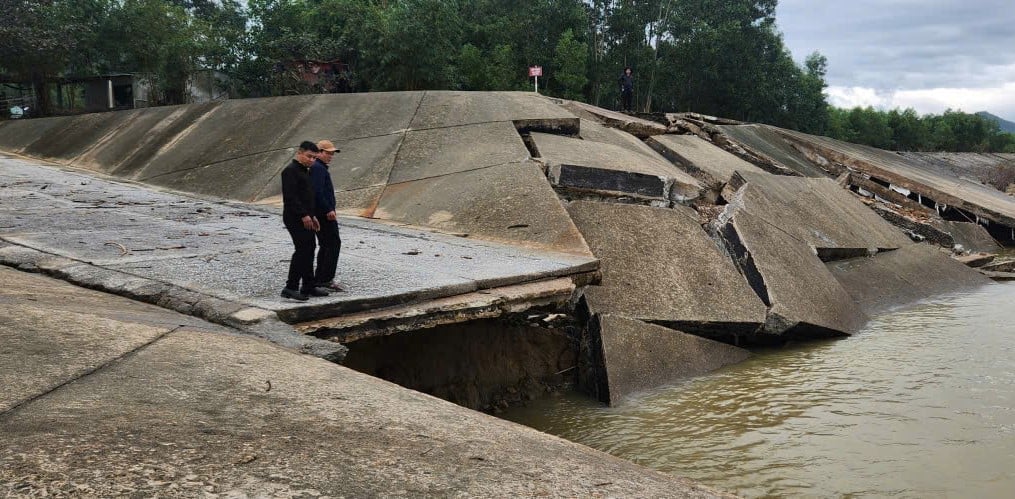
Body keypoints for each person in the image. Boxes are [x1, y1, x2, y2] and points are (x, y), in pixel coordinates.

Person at [280, 141, 330, 301]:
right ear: (299, 153)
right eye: (309, 156)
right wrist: (304, 215)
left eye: (314, 158)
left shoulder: (305, 171)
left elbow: (307, 197)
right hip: (295, 217)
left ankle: (308, 285)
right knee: (302, 250)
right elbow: (290, 198)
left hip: (307, 216)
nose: (311, 160)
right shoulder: (290, 171)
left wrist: (312, 215)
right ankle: (290, 287)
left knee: (310, 248)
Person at [311, 139, 344, 292]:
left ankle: (321, 277)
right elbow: (317, 192)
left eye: (332, 153)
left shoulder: (318, 167)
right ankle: (325, 278)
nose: (331, 156)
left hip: (321, 213)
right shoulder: (318, 168)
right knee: (333, 243)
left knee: (326, 244)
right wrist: (328, 209)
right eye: (328, 153)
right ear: (319, 153)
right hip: (324, 214)